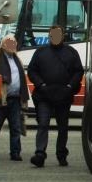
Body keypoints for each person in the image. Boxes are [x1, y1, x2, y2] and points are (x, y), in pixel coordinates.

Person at [26, 24, 82, 167]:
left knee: (63, 127)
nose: (55, 37)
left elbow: (78, 71)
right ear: (49, 36)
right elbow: (32, 71)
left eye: (58, 34)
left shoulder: (71, 52)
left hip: (64, 96)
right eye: (53, 34)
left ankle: (61, 154)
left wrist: (69, 86)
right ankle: (40, 153)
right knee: (43, 124)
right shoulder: (40, 52)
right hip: (44, 95)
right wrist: (41, 85)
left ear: (63, 36)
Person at [0, 35, 28, 162]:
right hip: (1, 99)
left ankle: (15, 152)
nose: (12, 45)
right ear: (3, 44)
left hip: (15, 99)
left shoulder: (17, 58)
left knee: (16, 127)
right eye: (8, 42)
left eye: (14, 42)